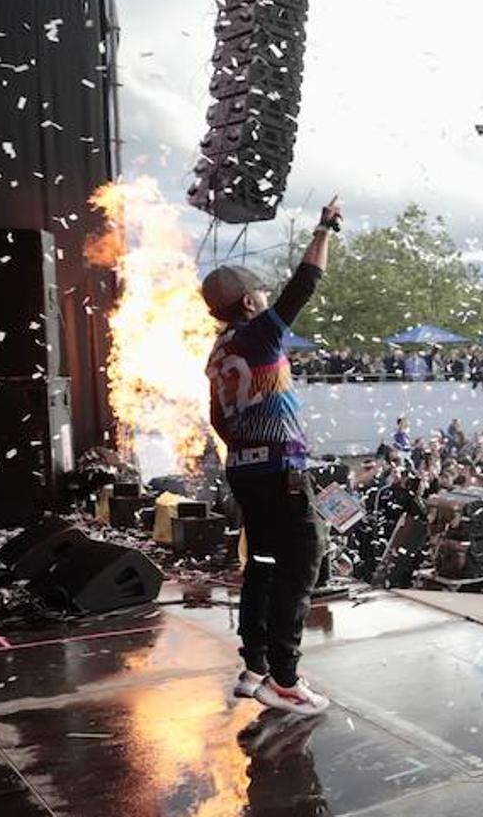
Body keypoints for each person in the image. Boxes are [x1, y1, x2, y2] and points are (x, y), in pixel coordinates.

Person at [202, 196, 342, 716]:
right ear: (246, 303)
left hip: (244, 472)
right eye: (257, 289)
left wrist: (245, 446)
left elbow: (218, 420)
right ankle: (284, 678)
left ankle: (254, 667)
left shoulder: (217, 353)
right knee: (304, 556)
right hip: (279, 469)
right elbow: (304, 283)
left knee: (261, 561)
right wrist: (324, 229)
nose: (264, 293)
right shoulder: (259, 333)